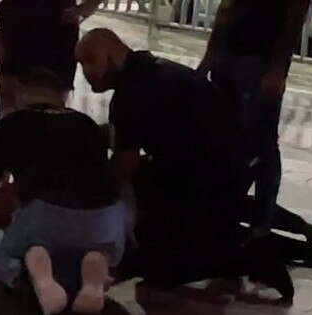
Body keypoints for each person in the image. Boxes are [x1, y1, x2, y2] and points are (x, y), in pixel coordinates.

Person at [76, 28, 297, 303]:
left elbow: (124, 165)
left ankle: (248, 259)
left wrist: (86, 199)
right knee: (156, 199)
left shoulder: (131, 92)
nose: (85, 72)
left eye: (89, 61)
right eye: (80, 64)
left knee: (162, 266)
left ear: (111, 54)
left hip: (208, 178)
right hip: (227, 165)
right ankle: (249, 242)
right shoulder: (153, 69)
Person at [0, 69, 132, 314]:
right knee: (92, 251)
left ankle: (42, 282)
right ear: (62, 97)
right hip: (107, 221)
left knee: (20, 251)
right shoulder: (86, 124)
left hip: (46, 220)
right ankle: (92, 280)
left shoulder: (8, 126)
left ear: (20, 95)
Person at [197, 0, 312, 239]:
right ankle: (236, 214)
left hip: (257, 58)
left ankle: (258, 221)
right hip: (235, 55)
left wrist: (278, 68)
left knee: (260, 145)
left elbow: (294, 17)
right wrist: (211, 55)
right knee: (234, 140)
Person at [0, 0, 102, 116]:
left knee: (53, 109)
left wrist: (82, 10)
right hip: (18, 30)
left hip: (58, 35)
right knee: (11, 106)